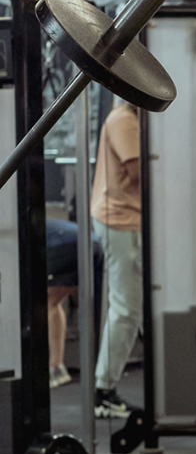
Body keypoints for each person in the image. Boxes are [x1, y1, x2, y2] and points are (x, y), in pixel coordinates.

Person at [91, 100, 142, 419]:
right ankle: (103, 392)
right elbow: (140, 171)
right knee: (126, 308)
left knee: (127, 307)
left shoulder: (129, 120)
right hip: (120, 220)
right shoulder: (124, 119)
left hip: (125, 220)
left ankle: (104, 388)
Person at [46, 216, 104, 388]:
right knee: (51, 302)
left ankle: (55, 368)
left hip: (73, 245)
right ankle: (57, 368)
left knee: (46, 303)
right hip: (92, 243)